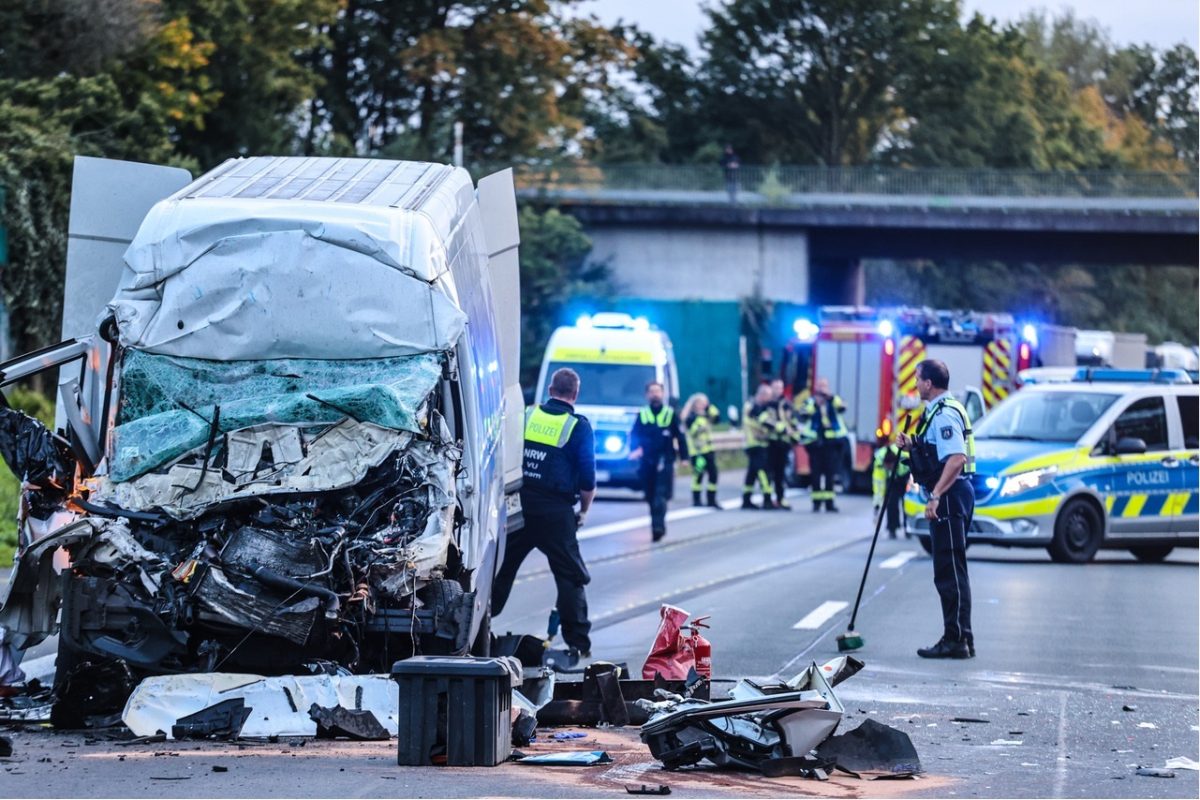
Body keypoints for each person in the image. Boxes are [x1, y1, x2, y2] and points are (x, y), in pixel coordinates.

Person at [491, 368, 596, 662]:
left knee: (501, 568)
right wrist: (583, 512)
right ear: (575, 394)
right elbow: (588, 479)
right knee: (569, 575)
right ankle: (578, 643)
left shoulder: (526, 415)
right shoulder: (578, 427)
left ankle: (481, 623)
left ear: (550, 389)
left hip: (519, 505)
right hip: (556, 513)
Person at [896, 359, 976, 659]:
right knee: (952, 569)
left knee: (949, 572)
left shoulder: (943, 415)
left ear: (929, 383)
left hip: (950, 496)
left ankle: (955, 639)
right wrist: (913, 445)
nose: (916, 384)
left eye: (918, 379)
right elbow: (938, 452)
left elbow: (956, 459)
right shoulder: (940, 412)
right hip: (953, 494)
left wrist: (936, 496)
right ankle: (962, 637)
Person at [629, 382, 689, 542]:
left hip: (665, 459)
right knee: (650, 495)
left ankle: (658, 527)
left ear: (663, 394)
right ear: (647, 395)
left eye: (658, 392)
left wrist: (684, 457)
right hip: (647, 460)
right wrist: (634, 450)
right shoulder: (642, 414)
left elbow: (680, 437)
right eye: (652, 392)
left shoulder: (670, 414)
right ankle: (656, 525)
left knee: (660, 494)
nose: (655, 395)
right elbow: (634, 435)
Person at [797, 378, 849, 512]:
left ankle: (829, 502)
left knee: (830, 473)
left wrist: (830, 399)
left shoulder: (834, 399)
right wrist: (815, 405)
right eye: (820, 386)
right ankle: (816, 502)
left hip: (832, 442)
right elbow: (802, 414)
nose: (822, 389)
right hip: (815, 443)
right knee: (815, 473)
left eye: (824, 386)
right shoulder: (810, 401)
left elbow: (843, 407)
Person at [740, 383, 777, 510]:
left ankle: (746, 499)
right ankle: (767, 499)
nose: (769, 399)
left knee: (752, 473)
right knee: (762, 472)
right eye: (768, 396)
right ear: (762, 395)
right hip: (754, 444)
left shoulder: (763, 407)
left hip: (761, 444)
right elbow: (763, 422)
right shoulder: (752, 407)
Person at [683, 393, 722, 509]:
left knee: (713, 474)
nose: (702, 405)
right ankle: (696, 500)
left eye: (704, 403)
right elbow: (693, 431)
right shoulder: (691, 417)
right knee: (698, 475)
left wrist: (710, 408)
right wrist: (699, 424)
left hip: (708, 450)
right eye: (700, 403)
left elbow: (717, 418)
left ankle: (712, 499)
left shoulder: (706, 415)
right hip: (698, 452)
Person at [872, 433, 911, 539]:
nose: (888, 468)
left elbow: (914, 472)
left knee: (908, 504)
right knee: (891, 503)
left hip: (906, 478)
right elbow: (878, 486)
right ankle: (892, 528)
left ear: (895, 462)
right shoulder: (879, 461)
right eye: (887, 467)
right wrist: (877, 505)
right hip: (892, 481)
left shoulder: (904, 457)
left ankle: (908, 528)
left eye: (891, 466)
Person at [766, 378, 795, 510]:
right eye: (775, 387)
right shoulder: (767, 403)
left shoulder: (786, 404)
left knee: (780, 473)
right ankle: (767, 499)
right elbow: (765, 421)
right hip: (770, 443)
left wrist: (794, 432)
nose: (778, 390)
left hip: (783, 443)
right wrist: (781, 428)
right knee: (768, 473)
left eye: (780, 387)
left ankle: (780, 498)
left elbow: (792, 421)